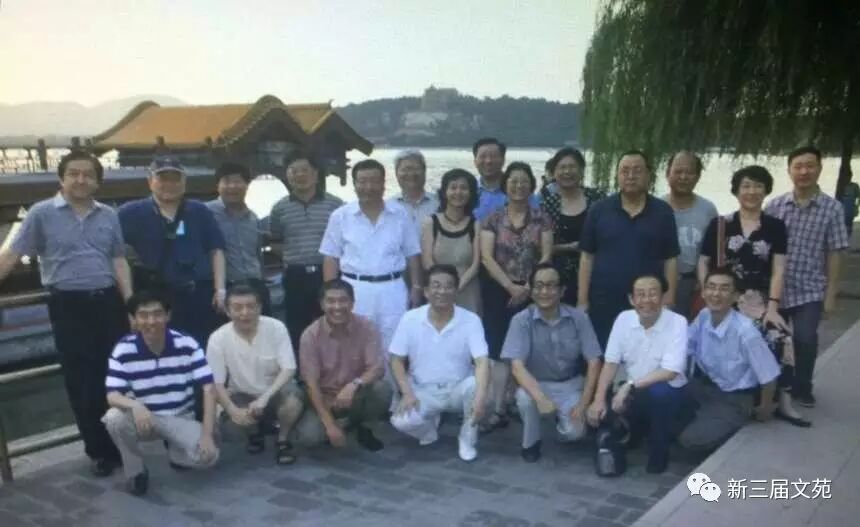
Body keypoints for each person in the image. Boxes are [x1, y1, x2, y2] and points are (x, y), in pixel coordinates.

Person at [0, 150, 131, 477]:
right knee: (82, 381)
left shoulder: (109, 215)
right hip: (68, 305)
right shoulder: (41, 213)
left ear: (98, 181)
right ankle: (99, 451)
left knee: (114, 375)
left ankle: (122, 443)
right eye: (74, 173)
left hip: (107, 302)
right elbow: (13, 254)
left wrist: (130, 304)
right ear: (61, 178)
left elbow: (118, 260)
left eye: (88, 174)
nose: (81, 180)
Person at [698, 165, 806, 424]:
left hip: (760, 300)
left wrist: (773, 307)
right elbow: (703, 261)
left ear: (766, 191)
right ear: (736, 191)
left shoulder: (775, 226)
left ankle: (783, 402)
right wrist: (708, 292)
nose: (752, 191)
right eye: (746, 186)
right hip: (726, 298)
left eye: (758, 186)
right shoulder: (721, 225)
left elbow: (778, 270)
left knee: (780, 337)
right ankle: (731, 392)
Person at [103, 290, 219, 496]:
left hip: (179, 416)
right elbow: (112, 395)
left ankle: (176, 454)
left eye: (157, 314)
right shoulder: (123, 349)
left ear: (168, 316)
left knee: (208, 457)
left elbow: (209, 388)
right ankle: (135, 471)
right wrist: (135, 405)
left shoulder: (187, 344)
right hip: (144, 418)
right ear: (134, 319)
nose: (151, 321)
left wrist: (207, 435)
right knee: (114, 418)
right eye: (143, 315)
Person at [765, 146, 850, 407]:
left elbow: (834, 252)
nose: (804, 171)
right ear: (789, 171)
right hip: (777, 288)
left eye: (810, 166)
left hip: (811, 288)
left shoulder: (832, 209)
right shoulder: (775, 206)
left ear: (819, 169)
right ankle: (776, 387)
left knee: (804, 337)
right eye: (798, 166)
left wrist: (831, 293)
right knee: (774, 339)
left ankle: (802, 387)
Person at [118, 155, 226, 347]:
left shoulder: (199, 211)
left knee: (202, 346)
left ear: (184, 182)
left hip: (197, 293)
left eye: (175, 179)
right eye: (162, 179)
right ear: (150, 181)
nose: (169, 184)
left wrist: (220, 289)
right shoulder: (130, 213)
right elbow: (117, 256)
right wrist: (130, 300)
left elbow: (216, 249)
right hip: (157, 298)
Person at [578, 150, 680, 349]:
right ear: (617, 175)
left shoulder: (663, 212)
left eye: (637, 171)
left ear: (649, 175)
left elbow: (671, 258)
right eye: (625, 171)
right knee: (605, 352)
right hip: (604, 299)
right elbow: (587, 256)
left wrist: (668, 299)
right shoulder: (599, 210)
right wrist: (582, 300)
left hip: (648, 300)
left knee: (646, 351)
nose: (631, 176)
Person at [502, 263, 602, 463]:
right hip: (535, 383)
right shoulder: (521, 321)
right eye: (538, 286)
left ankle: (558, 423)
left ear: (562, 290)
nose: (544, 292)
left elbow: (594, 361)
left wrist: (584, 403)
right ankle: (531, 443)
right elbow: (517, 366)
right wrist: (540, 398)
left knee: (575, 433)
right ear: (531, 290)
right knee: (525, 398)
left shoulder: (579, 318)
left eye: (551, 285)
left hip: (570, 385)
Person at [587, 274, 688, 474]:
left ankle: (659, 451)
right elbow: (611, 363)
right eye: (640, 294)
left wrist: (629, 385)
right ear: (631, 299)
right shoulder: (623, 319)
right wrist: (598, 400)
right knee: (599, 415)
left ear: (663, 297)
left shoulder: (678, 322)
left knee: (659, 394)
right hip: (633, 388)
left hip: (667, 389)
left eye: (653, 294)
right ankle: (629, 437)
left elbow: (670, 372)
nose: (647, 300)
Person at [389, 264, 490, 461]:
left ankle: (467, 437)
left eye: (448, 286)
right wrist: (407, 393)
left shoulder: (471, 320)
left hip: (457, 388)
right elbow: (395, 360)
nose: (442, 291)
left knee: (475, 386)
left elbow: (482, 361)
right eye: (436, 286)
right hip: (423, 390)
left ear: (456, 291)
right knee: (401, 422)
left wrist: (480, 397)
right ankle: (429, 432)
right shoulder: (410, 318)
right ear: (426, 291)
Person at [320, 158, 422, 351]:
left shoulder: (400, 214)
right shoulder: (340, 216)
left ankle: (392, 372)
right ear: (354, 184)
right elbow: (330, 257)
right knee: (353, 344)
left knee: (394, 345)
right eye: (363, 181)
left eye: (374, 181)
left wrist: (416, 287)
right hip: (354, 289)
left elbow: (413, 254)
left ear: (384, 183)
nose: (369, 187)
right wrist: (330, 294)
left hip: (392, 289)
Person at [480, 161, 553, 432]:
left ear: (531, 185)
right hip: (499, 291)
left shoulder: (542, 218)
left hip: (535, 291)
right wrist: (511, 286)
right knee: (500, 350)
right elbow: (487, 257)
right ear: (505, 185)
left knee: (525, 348)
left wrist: (529, 287)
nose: (518, 186)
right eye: (513, 181)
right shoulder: (493, 218)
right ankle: (498, 408)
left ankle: (519, 401)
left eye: (524, 181)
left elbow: (546, 255)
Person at [679, 268, 781, 452]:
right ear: (703, 292)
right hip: (706, 387)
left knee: (690, 441)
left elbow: (769, 376)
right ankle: (704, 418)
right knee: (663, 399)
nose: (716, 294)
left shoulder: (745, 332)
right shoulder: (704, 315)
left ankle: (726, 422)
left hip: (735, 399)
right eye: (711, 287)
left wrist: (764, 409)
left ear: (735, 297)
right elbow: (684, 347)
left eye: (724, 289)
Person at [207, 284, 305, 464]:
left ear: (260, 307)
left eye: (251, 306)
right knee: (231, 430)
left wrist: (265, 398)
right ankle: (255, 433)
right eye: (237, 308)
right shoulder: (218, 338)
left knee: (293, 401)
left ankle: (282, 439)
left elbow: (289, 368)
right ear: (227, 311)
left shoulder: (276, 328)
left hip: (275, 391)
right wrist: (231, 409)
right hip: (242, 393)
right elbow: (216, 381)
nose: (245, 313)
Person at [295, 279, 392, 451]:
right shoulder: (310, 335)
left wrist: (354, 385)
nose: (337, 307)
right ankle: (339, 424)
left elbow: (377, 367)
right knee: (309, 437)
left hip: (356, 395)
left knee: (382, 389)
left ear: (352, 303)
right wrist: (329, 425)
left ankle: (364, 426)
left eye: (343, 300)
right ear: (322, 304)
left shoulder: (367, 327)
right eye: (331, 301)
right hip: (325, 398)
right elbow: (311, 385)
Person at [269, 151, 343, 351]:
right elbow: (275, 242)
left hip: (327, 273)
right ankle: (301, 367)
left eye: (305, 170)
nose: (299, 175)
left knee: (331, 323)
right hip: (295, 275)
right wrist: (294, 257)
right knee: (296, 327)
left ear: (316, 174)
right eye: (294, 171)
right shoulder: (280, 208)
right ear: (287, 175)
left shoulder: (335, 205)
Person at [540, 147, 606, 306]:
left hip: (596, 272)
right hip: (559, 277)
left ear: (581, 170)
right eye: (562, 167)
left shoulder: (597, 199)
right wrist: (571, 247)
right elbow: (540, 247)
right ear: (554, 172)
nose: (567, 172)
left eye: (572, 167)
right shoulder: (547, 204)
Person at [206, 161, 270, 315]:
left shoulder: (253, 217)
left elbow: (257, 254)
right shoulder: (206, 212)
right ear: (217, 186)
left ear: (247, 185)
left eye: (237, 181)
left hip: (255, 286)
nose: (232, 186)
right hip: (225, 288)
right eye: (227, 181)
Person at [661, 151, 717, 318]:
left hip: (694, 285)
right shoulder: (657, 207)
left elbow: (714, 252)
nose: (683, 177)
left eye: (689, 172)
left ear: (698, 177)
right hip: (660, 283)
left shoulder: (708, 210)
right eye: (678, 171)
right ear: (667, 174)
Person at [421, 169, 482, 313]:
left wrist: (455, 288)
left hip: (467, 292)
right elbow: (427, 261)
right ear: (444, 192)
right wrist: (444, 289)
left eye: (464, 188)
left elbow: (475, 265)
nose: (458, 192)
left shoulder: (476, 225)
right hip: (438, 292)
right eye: (453, 187)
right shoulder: (430, 222)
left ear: (471, 193)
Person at [471, 137, 538, 221]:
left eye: (494, 156)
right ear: (475, 161)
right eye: (483, 156)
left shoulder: (519, 190)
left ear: (503, 160)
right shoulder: (469, 191)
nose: (488, 161)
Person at [389, 149, 439, 237]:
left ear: (425, 171)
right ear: (396, 173)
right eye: (405, 169)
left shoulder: (439, 203)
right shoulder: (388, 207)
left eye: (416, 168)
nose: (411, 174)